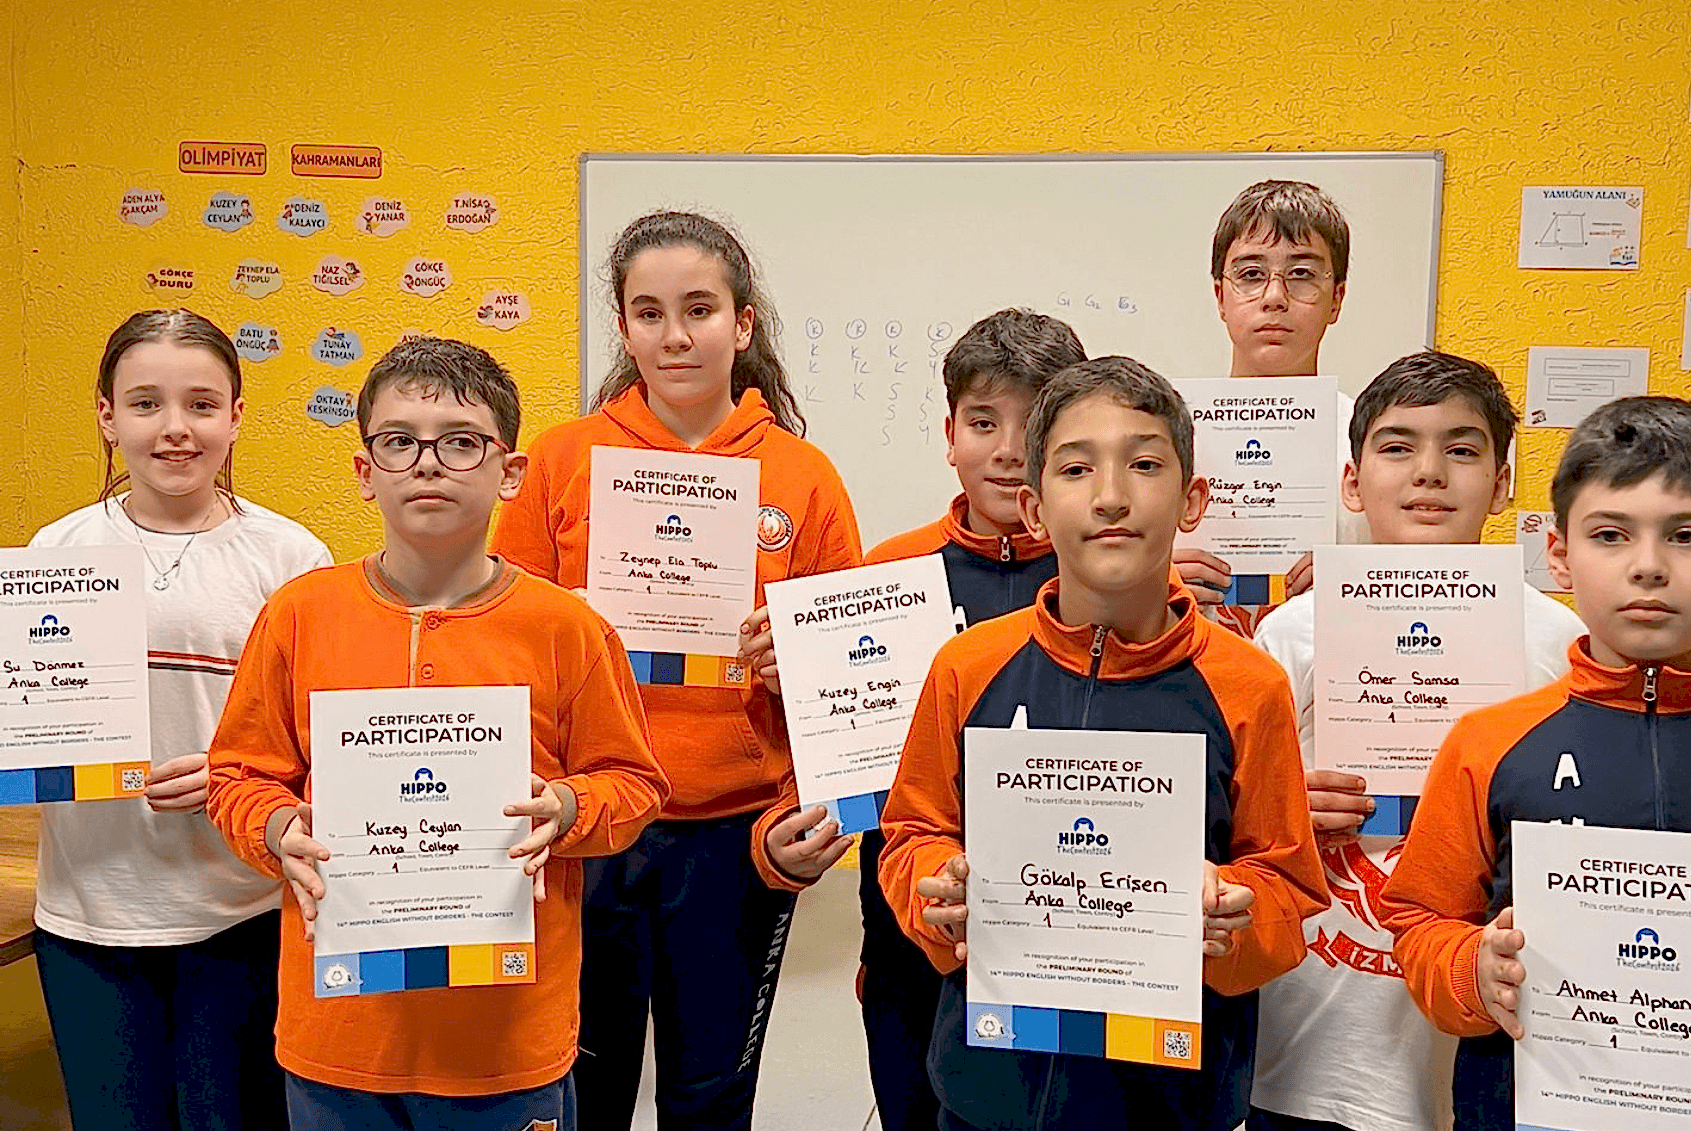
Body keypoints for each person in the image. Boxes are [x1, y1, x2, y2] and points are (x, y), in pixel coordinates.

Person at [207, 337, 668, 1130]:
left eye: (460, 442)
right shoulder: (299, 616)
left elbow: (635, 785)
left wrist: (565, 808)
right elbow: (237, 778)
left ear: (509, 473)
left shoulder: (567, 628)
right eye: (399, 442)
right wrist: (278, 828)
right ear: (365, 472)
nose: (427, 464)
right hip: (339, 1035)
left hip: (505, 1039)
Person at [879, 356, 1327, 1130]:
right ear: (1034, 508)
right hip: (990, 1091)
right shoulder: (967, 667)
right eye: (1076, 468)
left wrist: (1234, 917)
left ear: (1191, 500)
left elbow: (1286, 890)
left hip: (1171, 1102)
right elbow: (911, 835)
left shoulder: (1249, 686)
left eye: (1144, 464)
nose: (1112, 495)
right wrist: (935, 892)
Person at [491, 210, 862, 1128]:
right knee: (585, 1089)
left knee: (710, 1097)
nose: (676, 335)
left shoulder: (805, 476)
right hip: (588, 827)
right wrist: (567, 639)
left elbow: (850, 693)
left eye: (700, 310)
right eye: (650, 313)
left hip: (732, 837)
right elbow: (501, 647)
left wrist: (795, 662)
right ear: (624, 328)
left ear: (742, 324)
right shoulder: (564, 462)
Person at [1380, 396, 1691, 1130]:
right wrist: (1473, 972)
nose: (1648, 567)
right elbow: (1419, 921)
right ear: (1559, 554)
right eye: (1610, 535)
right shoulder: (1488, 743)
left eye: (1687, 536)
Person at [1246, 351, 1582, 1131]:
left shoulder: (1562, 643)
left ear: (1502, 485)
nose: (1429, 471)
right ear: (1351, 482)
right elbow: (1238, 825)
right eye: (1397, 447)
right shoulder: (1290, 633)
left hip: (1486, 1030)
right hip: (1311, 1037)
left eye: (1461, 449)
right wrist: (1283, 809)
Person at [26, 308, 329, 1131]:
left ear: (236, 416)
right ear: (106, 416)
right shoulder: (54, 553)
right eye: (145, 403)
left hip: (240, 914)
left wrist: (236, 772)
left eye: (201, 404)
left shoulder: (291, 559)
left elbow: (324, 745)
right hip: (89, 914)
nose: (174, 429)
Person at [848, 307, 1086, 1131]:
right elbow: (846, 758)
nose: (1008, 449)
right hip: (912, 924)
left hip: (1069, 919)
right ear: (950, 435)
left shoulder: (1107, 579)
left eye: (1033, 423)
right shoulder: (886, 575)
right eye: (984, 423)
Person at [1178, 179, 1367, 624]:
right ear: (1220, 296)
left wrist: (1358, 582)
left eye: (1301, 274)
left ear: (1336, 299)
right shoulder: (1162, 437)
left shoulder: (1373, 441)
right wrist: (1146, 583)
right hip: (1191, 657)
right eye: (1250, 275)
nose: (1274, 297)